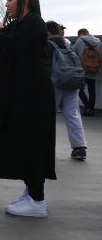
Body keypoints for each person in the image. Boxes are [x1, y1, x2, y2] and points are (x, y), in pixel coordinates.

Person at [0, 0, 55, 217]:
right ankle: (32, 192)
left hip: (33, 98)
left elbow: (15, 44)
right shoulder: (21, 24)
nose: (7, 3)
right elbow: (9, 39)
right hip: (24, 95)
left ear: (26, 0)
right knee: (25, 143)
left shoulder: (34, 23)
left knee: (33, 144)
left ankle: (37, 200)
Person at [46, 21, 88, 161]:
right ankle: (79, 147)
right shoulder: (67, 43)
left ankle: (46, 147)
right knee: (73, 114)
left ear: (46, 32)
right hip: (72, 81)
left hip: (55, 83)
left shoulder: (46, 45)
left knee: (48, 115)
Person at [73, 28, 101, 116]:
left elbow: (73, 52)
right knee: (92, 91)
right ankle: (91, 109)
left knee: (80, 90)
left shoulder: (80, 40)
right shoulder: (99, 42)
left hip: (82, 69)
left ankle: (87, 107)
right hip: (94, 70)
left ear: (82, 34)